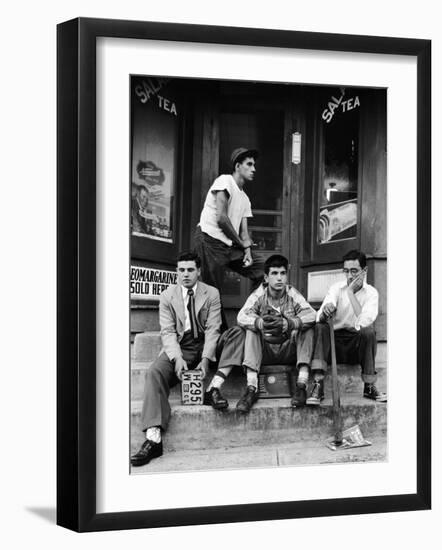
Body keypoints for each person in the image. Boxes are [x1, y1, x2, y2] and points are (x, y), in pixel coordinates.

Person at [130, 251, 222, 467]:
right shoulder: (167, 295)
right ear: (177, 272)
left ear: (199, 271)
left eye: (190, 270)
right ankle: (153, 439)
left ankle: (212, 390)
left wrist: (207, 359)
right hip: (181, 346)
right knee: (154, 372)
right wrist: (178, 358)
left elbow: (213, 328)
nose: (186, 274)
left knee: (226, 343)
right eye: (181, 270)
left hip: (207, 345)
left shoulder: (212, 293)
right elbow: (168, 332)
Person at [204, 254, 316, 413]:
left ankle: (301, 386)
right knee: (251, 327)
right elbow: (241, 316)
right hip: (264, 352)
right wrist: (260, 323)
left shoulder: (292, 293)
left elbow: (313, 314)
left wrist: (291, 323)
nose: (279, 278)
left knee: (307, 326)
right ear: (266, 277)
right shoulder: (259, 294)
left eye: (282, 273)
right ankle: (252, 388)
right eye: (274, 274)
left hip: (288, 350)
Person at [194, 148, 265, 325]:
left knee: (264, 270)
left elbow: (244, 232)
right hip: (209, 240)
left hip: (229, 245)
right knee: (212, 294)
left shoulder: (245, 199)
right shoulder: (225, 180)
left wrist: (247, 250)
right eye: (249, 164)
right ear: (237, 166)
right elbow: (221, 218)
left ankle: (249, 315)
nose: (254, 169)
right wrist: (241, 243)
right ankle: (219, 338)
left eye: (254, 165)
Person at [307, 249, 387, 405]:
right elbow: (319, 317)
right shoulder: (336, 288)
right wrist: (326, 310)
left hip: (355, 347)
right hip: (333, 345)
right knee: (321, 326)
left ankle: (369, 385)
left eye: (354, 271)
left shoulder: (371, 293)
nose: (350, 276)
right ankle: (318, 384)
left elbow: (364, 321)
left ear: (365, 271)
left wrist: (350, 293)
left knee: (368, 331)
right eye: (347, 271)